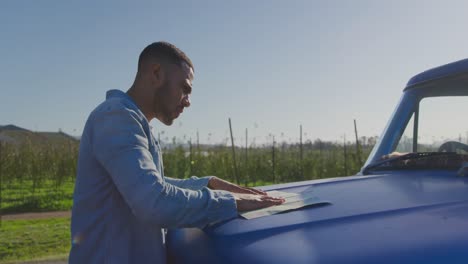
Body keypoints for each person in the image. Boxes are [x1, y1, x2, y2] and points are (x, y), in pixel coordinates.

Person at [69, 41, 284, 264]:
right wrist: (230, 202)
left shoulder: (133, 122)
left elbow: (150, 185)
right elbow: (154, 201)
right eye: (185, 88)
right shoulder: (115, 117)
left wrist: (207, 184)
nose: (188, 101)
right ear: (156, 73)